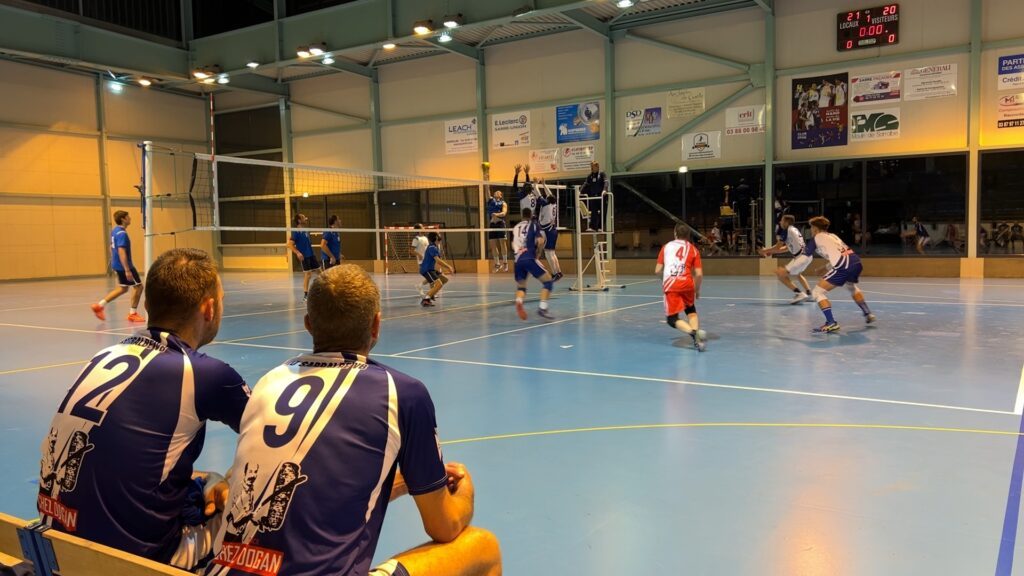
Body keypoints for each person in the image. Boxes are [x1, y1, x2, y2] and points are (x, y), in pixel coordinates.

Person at [206, 264, 501, 576]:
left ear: (309, 325)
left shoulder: (268, 382)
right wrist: (465, 494)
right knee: (484, 547)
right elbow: (443, 526)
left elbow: (302, 491)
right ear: (376, 325)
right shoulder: (402, 393)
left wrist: (400, 484)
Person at [41, 248, 250, 571]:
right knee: (250, 504)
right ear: (209, 309)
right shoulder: (206, 374)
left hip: (56, 544)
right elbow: (273, 452)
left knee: (204, 478)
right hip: (139, 561)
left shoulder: (105, 355)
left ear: (148, 305)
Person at [804, 216, 876, 333]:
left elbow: (804, 254)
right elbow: (838, 256)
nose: (811, 230)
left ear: (815, 228)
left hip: (844, 265)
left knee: (817, 292)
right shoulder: (832, 236)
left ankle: (831, 323)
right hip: (855, 261)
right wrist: (824, 268)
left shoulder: (817, 238)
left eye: (811, 227)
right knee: (851, 287)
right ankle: (868, 313)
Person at [656, 223, 706, 351]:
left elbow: (657, 270)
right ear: (688, 235)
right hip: (687, 284)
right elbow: (699, 274)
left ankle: (693, 333)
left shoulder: (666, 247)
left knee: (672, 319)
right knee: (691, 311)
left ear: (675, 233)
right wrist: (697, 289)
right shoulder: (693, 250)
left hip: (672, 285)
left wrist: (665, 280)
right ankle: (696, 337)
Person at [91, 210, 145, 322]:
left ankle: (99, 306)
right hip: (125, 265)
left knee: (123, 288)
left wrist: (114, 260)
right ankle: (132, 313)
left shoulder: (115, 231)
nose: (130, 218)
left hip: (117, 264)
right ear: (123, 219)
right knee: (138, 287)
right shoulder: (122, 234)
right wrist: (127, 270)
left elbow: (111, 246)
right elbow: (121, 251)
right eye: (128, 216)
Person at [759, 215, 813, 304]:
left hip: (801, 256)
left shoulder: (786, 231)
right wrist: (771, 252)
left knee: (780, 274)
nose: (780, 222)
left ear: (786, 222)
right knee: (798, 274)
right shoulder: (794, 230)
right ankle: (809, 294)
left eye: (782, 221)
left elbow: (778, 246)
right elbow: (785, 248)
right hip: (806, 256)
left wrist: (765, 251)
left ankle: (799, 293)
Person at [511, 207, 554, 320]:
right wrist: (538, 253)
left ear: (522, 216)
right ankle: (542, 308)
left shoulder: (516, 227)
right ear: (531, 215)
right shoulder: (534, 225)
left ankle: (519, 301)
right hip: (529, 257)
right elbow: (540, 241)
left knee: (521, 287)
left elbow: (513, 244)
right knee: (548, 281)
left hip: (517, 260)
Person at [536, 179, 563, 282]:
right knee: (552, 253)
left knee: (548, 253)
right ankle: (558, 272)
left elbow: (538, 194)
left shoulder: (546, 204)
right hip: (553, 230)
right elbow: (549, 194)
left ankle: (555, 273)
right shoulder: (553, 203)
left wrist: (535, 184)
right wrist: (544, 184)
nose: (546, 197)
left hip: (548, 231)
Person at [287, 214, 318, 301]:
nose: (306, 218)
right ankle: (306, 295)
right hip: (304, 256)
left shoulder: (305, 230)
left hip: (311, 255)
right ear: (299, 221)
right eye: (304, 217)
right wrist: (298, 253)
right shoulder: (296, 232)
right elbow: (289, 244)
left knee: (320, 272)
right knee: (308, 275)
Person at [420, 232, 455, 307]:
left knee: (444, 279)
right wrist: (449, 267)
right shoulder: (432, 247)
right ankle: (426, 300)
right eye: (438, 235)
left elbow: (436, 261)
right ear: (436, 238)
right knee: (439, 284)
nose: (440, 237)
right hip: (426, 270)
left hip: (430, 269)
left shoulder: (434, 247)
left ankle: (431, 293)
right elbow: (438, 260)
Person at [486, 190, 509, 273]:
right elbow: (487, 192)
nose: (496, 192)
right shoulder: (491, 201)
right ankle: (497, 264)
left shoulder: (503, 203)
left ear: (501, 195)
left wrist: (496, 214)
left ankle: (505, 262)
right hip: (492, 225)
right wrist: (486, 183)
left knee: (502, 243)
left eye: (498, 192)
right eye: (495, 192)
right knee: (492, 245)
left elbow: (504, 213)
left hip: (500, 224)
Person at [581, 161, 608, 231]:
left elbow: (606, 182)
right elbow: (585, 184)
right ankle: (592, 227)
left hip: (602, 197)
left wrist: (605, 190)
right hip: (594, 196)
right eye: (591, 167)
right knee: (593, 211)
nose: (592, 169)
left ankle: (600, 227)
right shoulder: (590, 176)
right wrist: (580, 191)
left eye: (593, 167)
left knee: (603, 211)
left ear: (597, 167)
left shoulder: (602, 174)